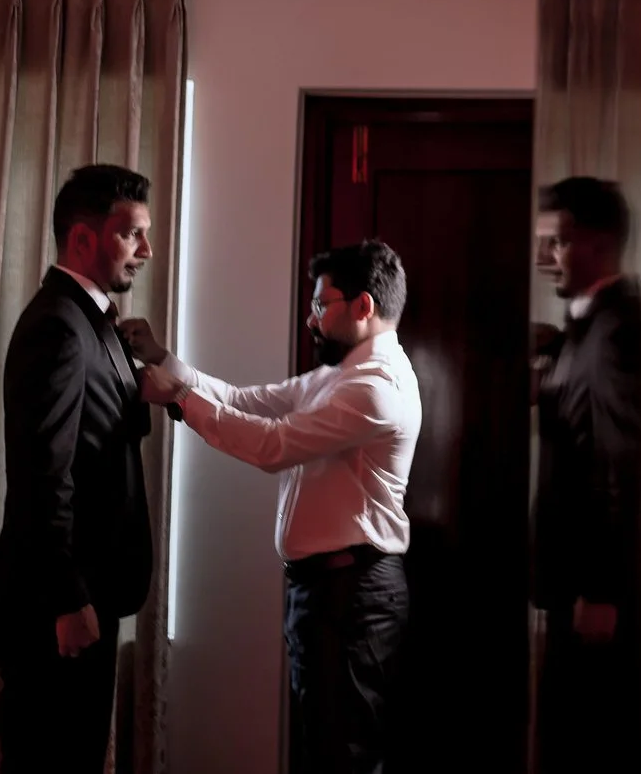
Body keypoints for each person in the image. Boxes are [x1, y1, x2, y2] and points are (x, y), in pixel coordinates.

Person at [122, 240, 421, 774]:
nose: (311, 319)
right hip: (328, 592)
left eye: (320, 305)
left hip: (352, 595)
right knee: (328, 746)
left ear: (364, 307)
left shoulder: (377, 387)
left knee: (345, 756)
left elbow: (272, 445)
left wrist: (177, 399)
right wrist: (166, 361)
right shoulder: (340, 376)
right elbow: (244, 402)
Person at [0, 163, 158, 774]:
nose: (146, 250)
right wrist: (66, 598)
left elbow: (111, 432)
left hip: (88, 593)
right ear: (82, 237)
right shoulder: (58, 327)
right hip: (54, 606)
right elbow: (41, 476)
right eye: (131, 233)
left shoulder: (94, 321)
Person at [532, 177, 641, 770]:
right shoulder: (588, 328)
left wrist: (602, 590)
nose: (543, 257)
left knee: (586, 741)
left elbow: (616, 458)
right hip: (573, 581)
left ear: (595, 243)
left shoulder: (618, 330)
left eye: (555, 241)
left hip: (592, 588)